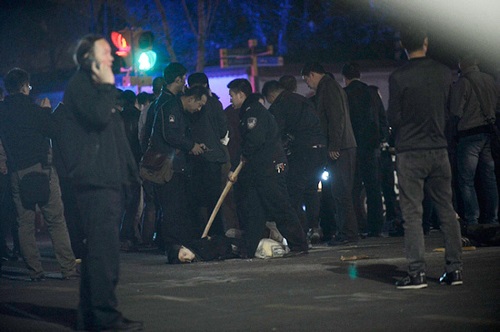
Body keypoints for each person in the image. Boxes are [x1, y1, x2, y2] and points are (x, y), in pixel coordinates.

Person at [62, 34, 143, 330]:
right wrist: (109, 85)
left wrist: (131, 172)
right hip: (95, 183)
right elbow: (97, 118)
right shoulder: (82, 86)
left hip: (108, 180)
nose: (112, 57)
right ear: (89, 59)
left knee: (100, 253)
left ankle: (91, 318)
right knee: (103, 255)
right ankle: (105, 318)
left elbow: (115, 139)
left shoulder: (96, 90)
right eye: (105, 52)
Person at [387, 26, 463, 289]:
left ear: (404, 46)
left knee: (412, 214)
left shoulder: (399, 77)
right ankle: (454, 270)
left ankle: (417, 273)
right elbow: (453, 112)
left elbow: (393, 118)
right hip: (438, 148)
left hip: (410, 151)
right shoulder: (444, 73)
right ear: (426, 43)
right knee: (446, 211)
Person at [0, 68, 77, 282]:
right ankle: (68, 268)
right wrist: (46, 111)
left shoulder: (3, 112)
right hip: (42, 170)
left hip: (17, 173)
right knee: (55, 220)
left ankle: (35, 271)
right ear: (24, 86)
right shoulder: (33, 109)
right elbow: (54, 130)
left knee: (24, 224)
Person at [227, 79, 308, 257]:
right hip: (259, 172)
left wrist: (241, 158)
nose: (230, 100)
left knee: (280, 207)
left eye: (232, 95)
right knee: (255, 211)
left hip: (269, 169)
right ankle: (248, 249)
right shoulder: (250, 113)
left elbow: (254, 141)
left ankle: (299, 244)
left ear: (241, 94)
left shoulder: (253, 114)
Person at [262, 80, 327, 243]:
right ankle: (315, 228)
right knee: (312, 189)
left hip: (302, 151)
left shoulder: (280, 105)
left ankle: (299, 231)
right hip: (320, 149)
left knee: (294, 191)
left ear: (271, 95)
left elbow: (276, 132)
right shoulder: (302, 99)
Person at [301, 62, 358, 245]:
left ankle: (348, 234)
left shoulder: (328, 87)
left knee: (341, 192)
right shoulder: (331, 86)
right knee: (340, 192)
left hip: (341, 147)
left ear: (311, 74)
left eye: (306, 80)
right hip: (344, 146)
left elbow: (336, 118)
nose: (307, 84)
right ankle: (347, 232)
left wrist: (334, 146)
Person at [149, 85, 209, 257]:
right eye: (199, 104)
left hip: (179, 166)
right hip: (168, 168)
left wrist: (194, 146)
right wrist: (191, 146)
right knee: (172, 208)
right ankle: (173, 246)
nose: (199, 109)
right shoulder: (170, 108)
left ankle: (180, 243)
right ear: (190, 99)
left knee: (180, 207)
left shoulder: (181, 111)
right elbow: (171, 135)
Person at [449, 54, 499, 230]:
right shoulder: (490, 79)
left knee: (466, 180)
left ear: (462, 62)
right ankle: (493, 218)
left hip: (469, 134)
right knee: (489, 178)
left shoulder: (463, 82)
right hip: (488, 133)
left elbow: (455, 110)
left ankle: (472, 219)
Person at [341, 63, 385, 237]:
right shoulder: (372, 93)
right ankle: (376, 226)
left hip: (353, 147)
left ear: (345, 77)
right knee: (373, 188)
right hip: (372, 146)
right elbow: (382, 118)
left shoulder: (346, 94)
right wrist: (381, 139)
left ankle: (358, 225)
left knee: (353, 188)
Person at [186, 73, 228, 237]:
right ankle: (217, 234)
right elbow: (223, 129)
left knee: (194, 201)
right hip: (213, 157)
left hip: (193, 158)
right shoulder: (215, 103)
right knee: (214, 201)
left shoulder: (188, 106)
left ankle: (198, 235)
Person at [119, 90, 143, 252]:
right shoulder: (138, 116)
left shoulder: (116, 118)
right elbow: (141, 140)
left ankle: (120, 237)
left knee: (120, 203)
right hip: (134, 164)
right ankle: (128, 236)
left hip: (117, 166)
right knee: (133, 204)